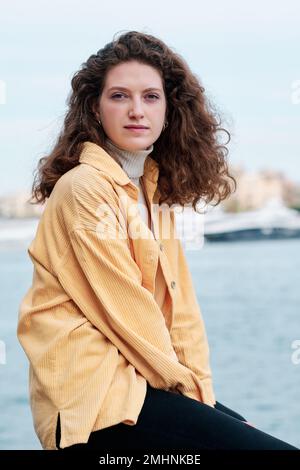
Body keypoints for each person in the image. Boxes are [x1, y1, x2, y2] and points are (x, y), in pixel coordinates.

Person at [17, 30, 298, 451]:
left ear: (169, 110)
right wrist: (203, 406)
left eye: (150, 96)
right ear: (95, 108)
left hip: (144, 386)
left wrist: (207, 398)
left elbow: (181, 318)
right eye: (119, 96)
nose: (136, 110)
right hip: (95, 402)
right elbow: (132, 319)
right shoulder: (85, 189)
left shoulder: (152, 192)